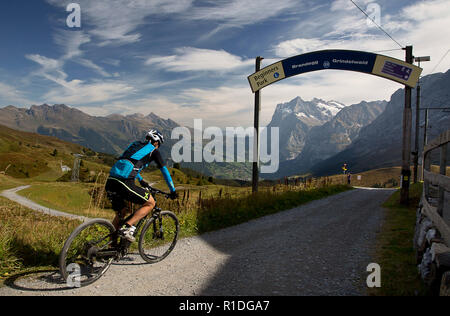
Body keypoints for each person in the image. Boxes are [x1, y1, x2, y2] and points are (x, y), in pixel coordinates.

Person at [105, 129, 178, 242]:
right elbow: (165, 171)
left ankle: (111, 246)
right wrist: (173, 190)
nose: (158, 147)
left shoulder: (134, 145)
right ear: (156, 142)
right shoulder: (153, 151)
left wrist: (141, 179)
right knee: (150, 203)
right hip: (124, 182)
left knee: (121, 212)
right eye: (159, 144)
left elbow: (129, 161)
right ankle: (127, 228)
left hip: (111, 180)